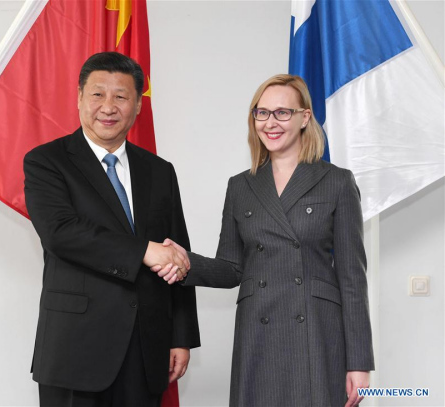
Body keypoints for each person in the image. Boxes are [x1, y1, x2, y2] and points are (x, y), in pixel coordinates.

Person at [153, 74, 374, 407]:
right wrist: (185, 263)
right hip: (259, 331)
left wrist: (359, 362)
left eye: (283, 112)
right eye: (262, 112)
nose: (271, 122)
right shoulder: (241, 186)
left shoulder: (337, 182)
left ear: (305, 117)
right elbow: (230, 268)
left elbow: (352, 278)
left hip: (316, 331)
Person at [24, 52, 200, 407]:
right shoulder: (46, 161)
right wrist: (144, 251)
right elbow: (62, 233)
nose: (108, 106)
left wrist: (181, 336)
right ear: (79, 99)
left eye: (121, 96)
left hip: (146, 347)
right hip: (75, 349)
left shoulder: (159, 171)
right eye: (97, 94)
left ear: (137, 106)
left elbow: (177, 250)